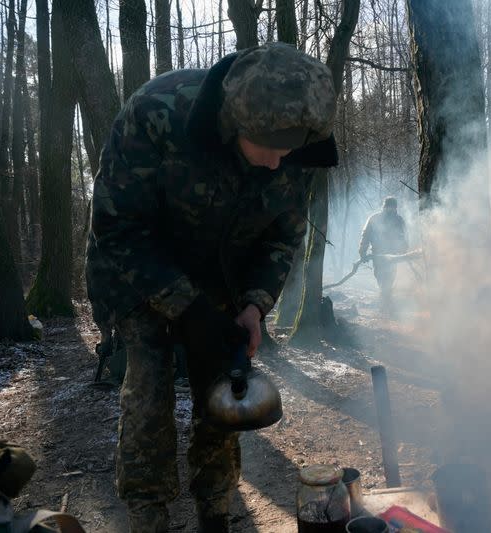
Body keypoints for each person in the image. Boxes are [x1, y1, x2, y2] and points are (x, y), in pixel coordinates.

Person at [85, 42, 338, 533]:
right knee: (149, 388)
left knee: (224, 388)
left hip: (224, 274)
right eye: (271, 149)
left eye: (289, 152)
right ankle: (148, 514)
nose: (277, 163)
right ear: (235, 126)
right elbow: (117, 229)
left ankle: (217, 509)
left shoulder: (296, 141)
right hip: (140, 274)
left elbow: (283, 235)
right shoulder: (159, 113)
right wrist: (187, 309)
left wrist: (254, 305)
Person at [358, 197, 408, 312]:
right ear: (384, 207)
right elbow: (365, 236)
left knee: (390, 278)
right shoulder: (374, 219)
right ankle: (385, 302)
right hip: (378, 254)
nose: (391, 210)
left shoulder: (399, 220)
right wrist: (362, 252)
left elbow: (403, 236)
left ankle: (386, 303)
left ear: (395, 208)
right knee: (380, 277)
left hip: (393, 255)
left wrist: (404, 248)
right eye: (388, 207)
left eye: (393, 207)